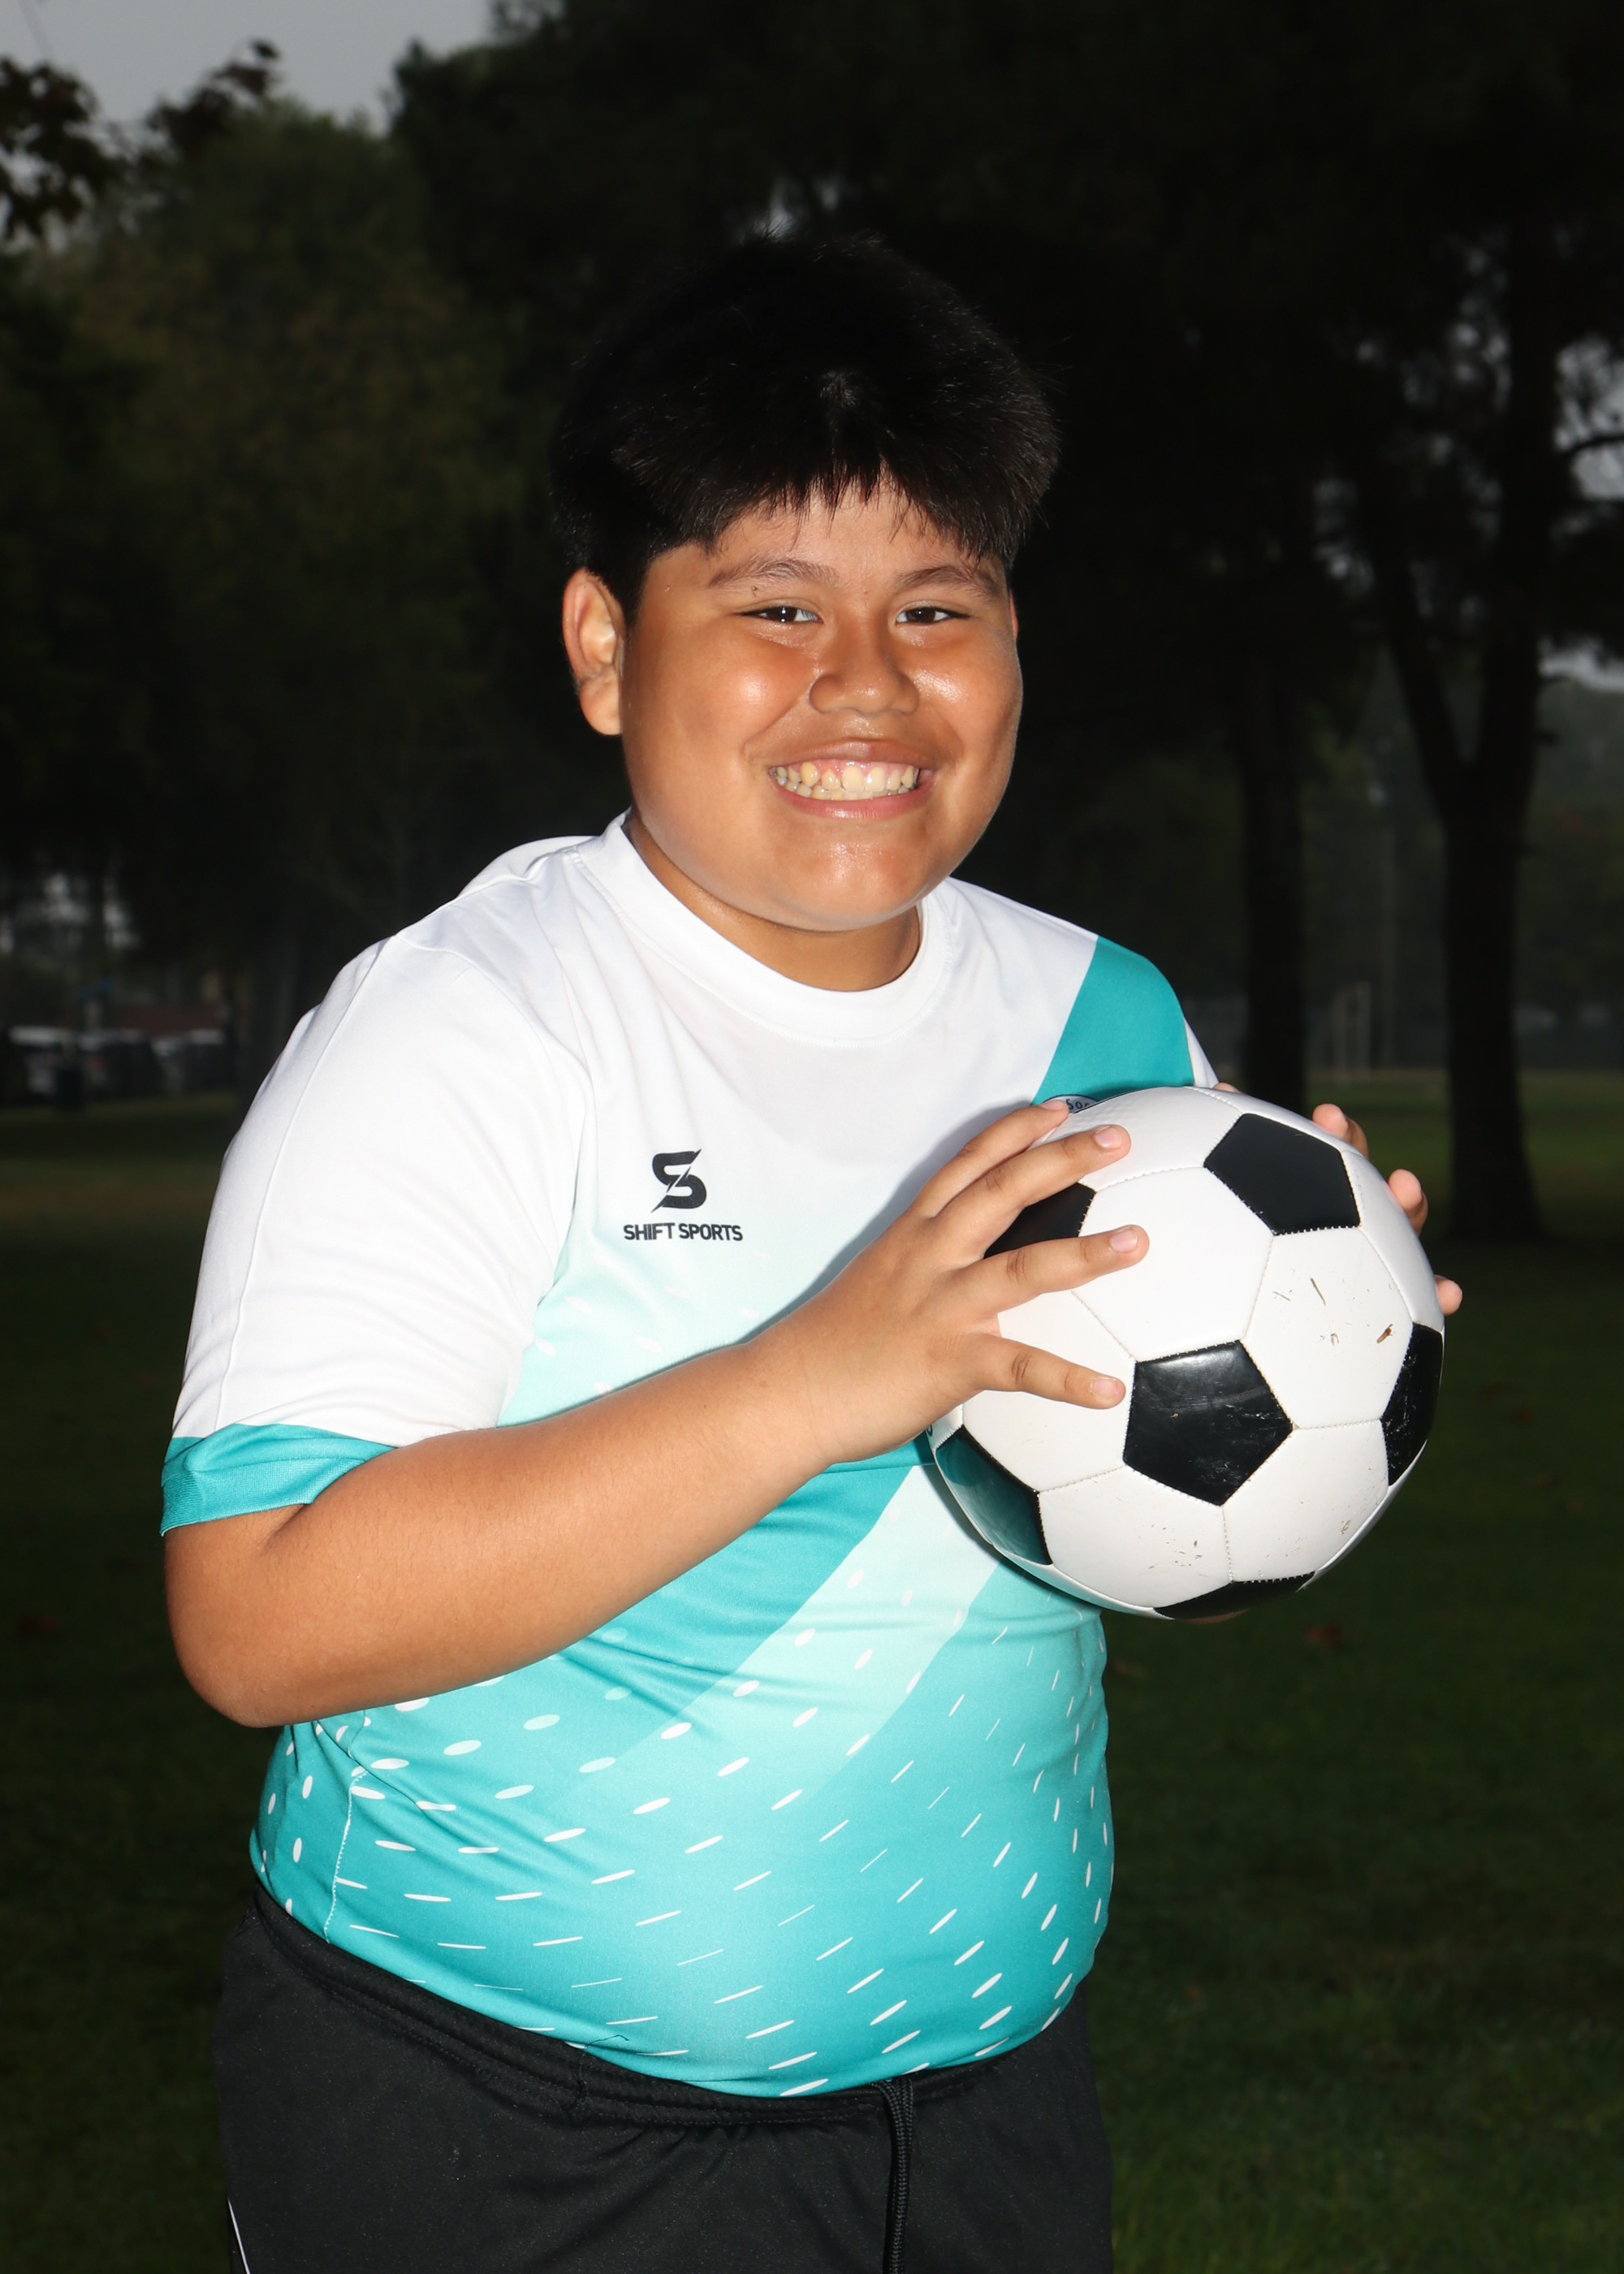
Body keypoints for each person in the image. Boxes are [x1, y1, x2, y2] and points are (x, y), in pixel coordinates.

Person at [163, 236, 1458, 2274]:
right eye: (777, 607)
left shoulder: (1101, 1021)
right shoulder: (469, 1027)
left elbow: (1102, 1500)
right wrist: (812, 1382)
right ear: (605, 646)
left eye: (936, 606)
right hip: (501, 2132)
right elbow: (257, 1615)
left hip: (986, 2106)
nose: (866, 683)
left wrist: (1307, 1326)